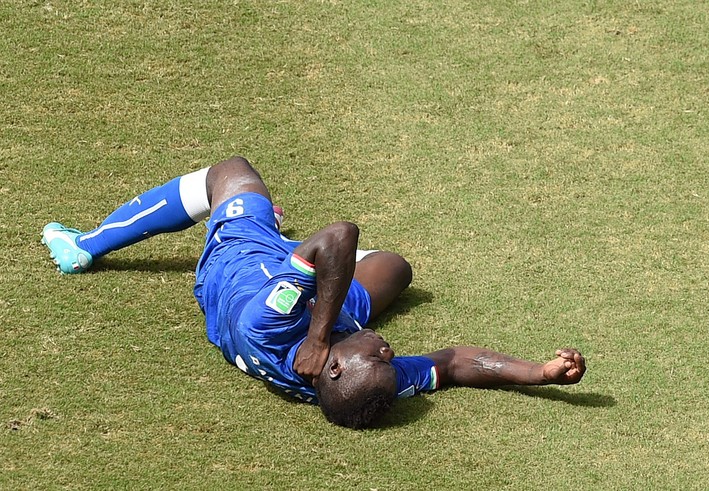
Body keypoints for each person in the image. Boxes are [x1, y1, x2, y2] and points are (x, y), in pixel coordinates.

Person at [42, 156, 586, 428]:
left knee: (232, 171)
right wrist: (538, 373)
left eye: (376, 351)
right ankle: (306, 259)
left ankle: (87, 245)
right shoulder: (365, 384)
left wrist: (319, 331)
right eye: (387, 354)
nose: (384, 345)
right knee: (395, 268)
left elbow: (341, 232)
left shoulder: (271, 326)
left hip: (241, 269)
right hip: (318, 316)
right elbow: (455, 362)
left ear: (327, 366)